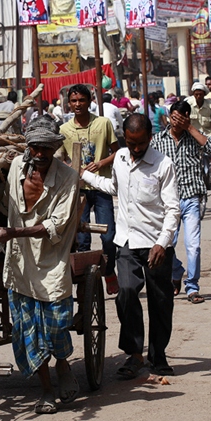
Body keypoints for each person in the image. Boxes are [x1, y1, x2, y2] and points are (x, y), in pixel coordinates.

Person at [0, 115, 80, 414]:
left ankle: (63, 364)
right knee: (28, 331)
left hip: (51, 263)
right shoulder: (16, 167)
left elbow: (56, 224)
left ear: (56, 147)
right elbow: (2, 199)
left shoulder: (67, 178)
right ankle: (45, 391)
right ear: (27, 146)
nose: (40, 154)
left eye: (47, 149)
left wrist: (13, 231)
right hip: (19, 265)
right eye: (35, 148)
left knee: (55, 328)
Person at [81, 113, 180, 378]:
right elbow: (115, 188)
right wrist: (87, 177)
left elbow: (173, 209)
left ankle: (158, 355)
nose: (136, 149)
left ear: (150, 137)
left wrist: (162, 243)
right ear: (125, 138)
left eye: (141, 144)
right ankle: (134, 353)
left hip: (156, 244)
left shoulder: (163, 165)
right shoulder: (121, 159)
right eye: (131, 143)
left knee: (160, 301)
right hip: (126, 241)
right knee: (125, 292)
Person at [151, 100, 211, 305]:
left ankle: (192, 287)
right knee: (168, 244)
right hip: (168, 202)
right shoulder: (158, 141)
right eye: (174, 116)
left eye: (181, 118)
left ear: (187, 117)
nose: (176, 121)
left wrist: (190, 127)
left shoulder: (194, 138)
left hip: (191, 198)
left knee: (193, 246)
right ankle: (176, 270)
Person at [59, 84, 120, 294]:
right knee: (82, 240)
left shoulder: (103, 124)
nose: (77, 105)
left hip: (101, 186)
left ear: (89, 101)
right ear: (69, 103)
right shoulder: (64, 130)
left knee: (108, 237)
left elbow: (118, 153)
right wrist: (73, 168)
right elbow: (61, 160)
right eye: (74, 101)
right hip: (78, 190)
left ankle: (110, 271)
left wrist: (101, 163)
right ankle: (85, 288)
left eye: (81, 100)